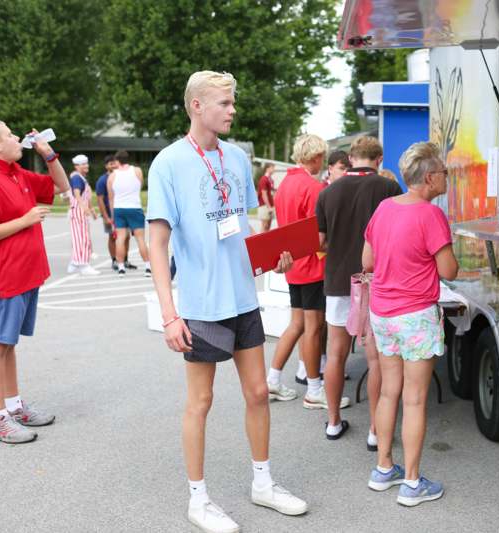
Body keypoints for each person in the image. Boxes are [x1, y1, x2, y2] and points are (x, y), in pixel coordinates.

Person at [148, 70, 306, 533]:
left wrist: (270, 256)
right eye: (223, 102)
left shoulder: (237, 159)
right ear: (197, 106)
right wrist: (169, 314)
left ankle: (263, 482)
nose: (232, 109)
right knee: (201, 401)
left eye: (233, 101)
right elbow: (158, 244)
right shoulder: (169, 163)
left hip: (243, 298)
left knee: (258, 393)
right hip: (199, 306)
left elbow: (239, 223)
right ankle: (198, 499)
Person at [363, 141, 458, 506]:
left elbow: (367, 260)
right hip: (416, 316)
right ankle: (413, 484)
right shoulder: (431, 215)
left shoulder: (384, 209)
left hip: (383, 314)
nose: (446, 178)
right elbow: (448, 270)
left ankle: (384, 468)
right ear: (431, 178)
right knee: (415, 400)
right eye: (445, 173)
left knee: (390, 391)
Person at [0, 120, 69, 444]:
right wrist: (25, 220)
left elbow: (59, 188)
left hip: (23, 276)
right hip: (1, 278)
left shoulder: (15, 173)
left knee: (7, 345)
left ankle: (13, 405)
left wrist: (49, 156)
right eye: (9, 135)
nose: (17, 138)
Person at [316, 136, 401, 445]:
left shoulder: (327, 193)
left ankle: (334, 422)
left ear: (351, 158)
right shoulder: (389, 189)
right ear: (379, 160)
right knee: (375, 359)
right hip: (377, 280)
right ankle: (376, 432)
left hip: (338, 281)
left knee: (336, 354)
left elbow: (321, 243)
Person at [266, 134, 349, 411]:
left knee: (297, 325)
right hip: (312, 264)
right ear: (315, 157)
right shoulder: (313, 188)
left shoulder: (285, 184)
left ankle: (273, 378)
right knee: (313, 329)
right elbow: (320, 235)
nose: (323, 162)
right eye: (322, 158)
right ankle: (314, 389)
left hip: (293, 265)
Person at [108, 150, 151, 277]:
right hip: (134, 207)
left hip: (119, 208)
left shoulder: (112, 176)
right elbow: (141, 184)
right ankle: (148, 266)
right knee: (140, 239)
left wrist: (112, 216)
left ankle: (121, 267)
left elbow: (111, 198)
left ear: (117, 161)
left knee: (120, 238)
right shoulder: (137, 171)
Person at [95, 154, 133, 271]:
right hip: (110, 213)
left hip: (122, 211)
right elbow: (100, 199)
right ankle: (114, 260)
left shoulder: (121, 177)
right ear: (106, 166)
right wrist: (106, 216)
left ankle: (125, 260)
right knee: (112, 237)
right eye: (111, 163)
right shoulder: (103, 180)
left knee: (126, 237)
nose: (114, 165)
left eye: (115, 163)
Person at [67, 154, 100, 275]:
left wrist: (92, 210)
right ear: (77, 166)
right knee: (81, 239)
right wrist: (83, 207)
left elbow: (87, 196)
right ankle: (83, 264)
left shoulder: (81, 178)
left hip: (81, 211)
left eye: (86, 163)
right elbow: (76, 194)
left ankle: (75, 262)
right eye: (83, 164)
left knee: (81, 238)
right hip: (78, 211)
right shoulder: (76, 178)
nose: (86, 166)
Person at [257, 162, 275, 232]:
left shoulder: (270, 179)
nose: (274, 169)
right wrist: (269, 207)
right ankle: (260, 242)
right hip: (265, 206)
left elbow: (272, 193)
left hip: (270, 205)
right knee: (265, 226)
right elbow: (264, 194)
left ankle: (265, 242)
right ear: (267, 169)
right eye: (272, 168)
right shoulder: (264, 179)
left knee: (268, 227)